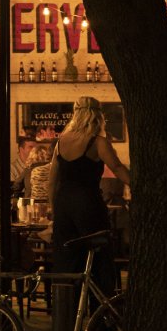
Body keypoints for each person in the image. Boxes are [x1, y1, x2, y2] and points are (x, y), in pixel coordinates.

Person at [48, 96, 130, 297]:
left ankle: (66, 315)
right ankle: (99, 314)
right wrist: (140, 186)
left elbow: (51, 181)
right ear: (97, 116)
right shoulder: (98, 142)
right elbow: (117, 168)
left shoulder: (61, 142)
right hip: (87, 203)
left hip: (64, 205)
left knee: (66, 259)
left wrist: (54, 210)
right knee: (99, 257)